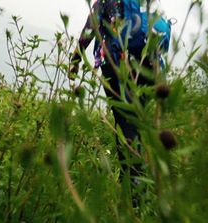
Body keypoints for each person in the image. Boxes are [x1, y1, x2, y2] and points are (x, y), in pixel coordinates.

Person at [69, 0, 169, 205]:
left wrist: (76, 59)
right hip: (148, 69)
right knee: (136, 122)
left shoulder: (105, 2)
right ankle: (142, 182)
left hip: (116, 65)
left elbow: (91, 28)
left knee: (126, 125)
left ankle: (136, 194)